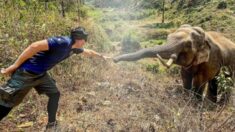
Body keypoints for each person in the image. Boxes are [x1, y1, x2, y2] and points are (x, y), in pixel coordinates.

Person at [0, 27, 110, 130]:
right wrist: (14, 66)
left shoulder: (73, 48)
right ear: (78, 39)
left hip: (41, 74)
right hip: (26, 73)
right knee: (8, 102)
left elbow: (88, 52)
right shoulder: (62, 42)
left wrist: (101, 56)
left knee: (54, 94)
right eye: (84, 40)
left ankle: (51, 124)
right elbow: (34, 46)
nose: (85, 42)